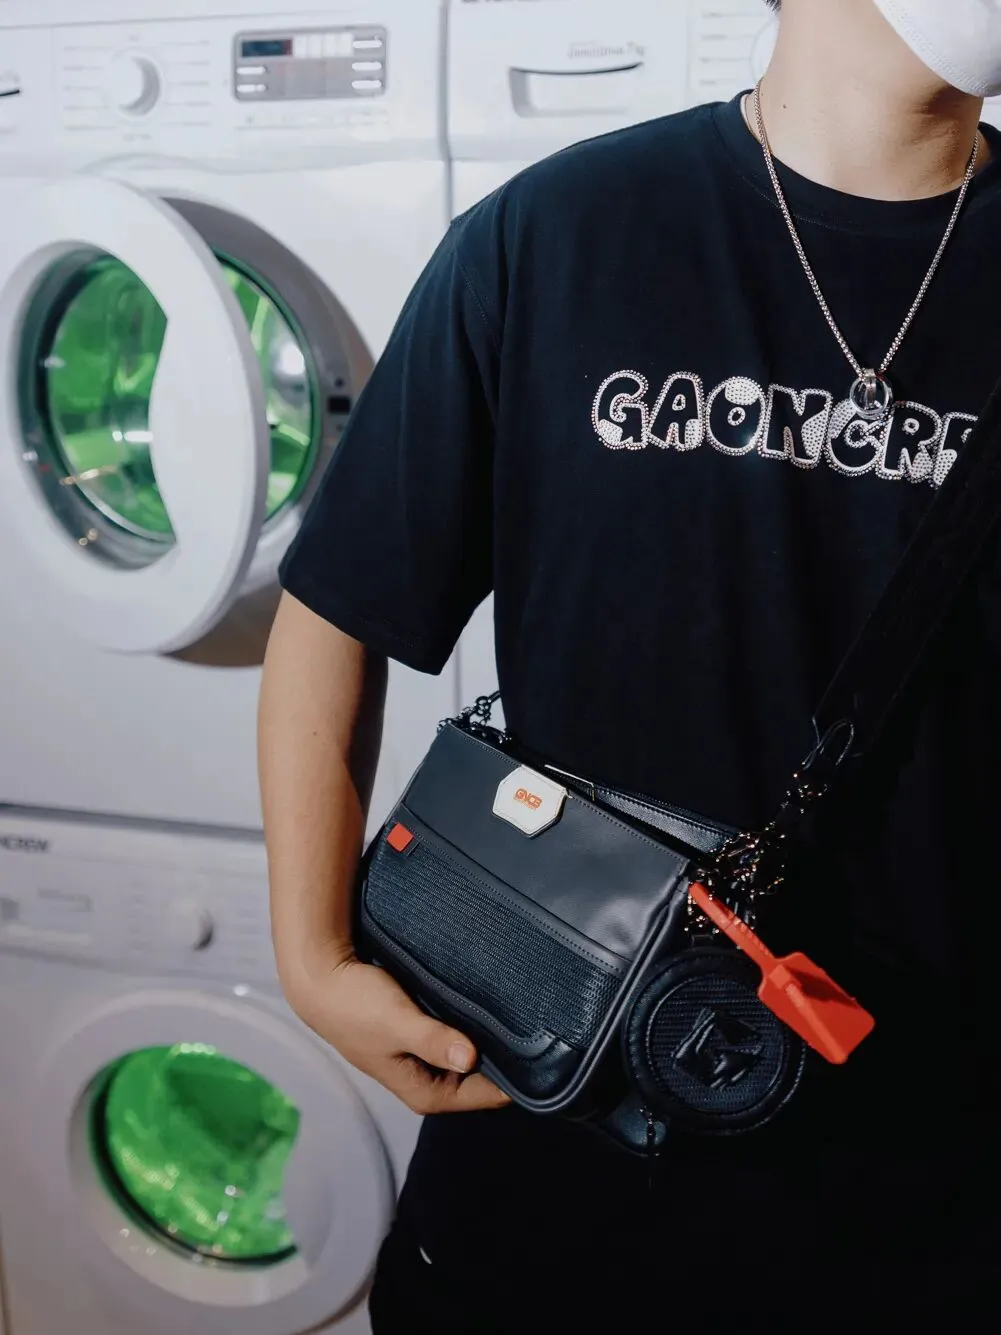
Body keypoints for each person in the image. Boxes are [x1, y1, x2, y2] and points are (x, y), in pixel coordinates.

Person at [258, 0, 1001, 1328]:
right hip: (559, 1147)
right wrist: (311, 958)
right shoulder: (552, 235)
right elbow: (335, 610)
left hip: (939, 1195)